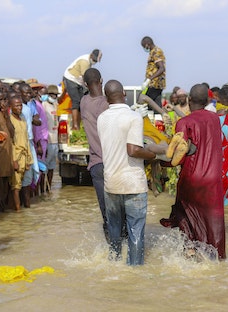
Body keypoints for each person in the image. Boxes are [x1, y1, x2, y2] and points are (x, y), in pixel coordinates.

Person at [161, 84, 226, 260]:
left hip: (192, 177)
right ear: (207, 101)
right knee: (212, 221)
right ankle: (216, 258)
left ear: (189, 100)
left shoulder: (184, 123)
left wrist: (162, 164)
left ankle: (190, 254)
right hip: (213, 179)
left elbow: (177, 156)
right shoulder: (214, 120)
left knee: (186, 218)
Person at [97, 80, 156, 266]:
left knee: (114, 229)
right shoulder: (133, 117)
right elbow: (133, 150)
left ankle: (114, 263)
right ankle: (135, 271)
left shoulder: (102, 118)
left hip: (111, 182)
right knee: (136, 230)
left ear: (107, 98)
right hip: (133, 183)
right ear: (124, 94)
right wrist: (153, 155)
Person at [80, 68, 109, 242]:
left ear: (85, 84)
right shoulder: (107, 104)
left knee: (107, 216)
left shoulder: (83, 102)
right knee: (122, 215)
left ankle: (112, 255)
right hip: (114, 164)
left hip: (97, 165)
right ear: (102, 80)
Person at [63, 49, 102, 130]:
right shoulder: (85, 62)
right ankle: (75, 126)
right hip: (70, 79)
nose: (94, 62)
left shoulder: (89, 63)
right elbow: (86, 78)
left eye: (96, 61)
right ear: (91, 55)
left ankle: (79, 124)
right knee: (76, 101)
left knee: (82, 102)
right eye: (94, 59)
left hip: (78, 81)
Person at [0, 88, 14, 212]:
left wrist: (7, 116)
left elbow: (12, 132)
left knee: (6, 186)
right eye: (0, 99)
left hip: (7, 154)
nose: (4, 102)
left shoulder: (5, 113)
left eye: (5, 99)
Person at [9, 95, 34, 211]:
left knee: (26, 183)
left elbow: (26, 140)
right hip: (16, 157)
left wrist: (29, 159)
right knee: (16, 187)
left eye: (20, 105)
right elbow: (11, 143)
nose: (19, 108)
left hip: (25, 156)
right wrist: (14, 161)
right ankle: (18, 211)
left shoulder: (23, 119)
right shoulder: (10, 120)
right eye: (16, 105)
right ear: (11, 107)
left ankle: (25, 209)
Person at [41, 85, 59, 192]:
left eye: (56, 95)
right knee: (44, 167)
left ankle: (49, 188)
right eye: (52, 95)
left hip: (55, 140)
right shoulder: (44, 105)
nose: (54, 96)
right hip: (48, 140)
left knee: (52, 166)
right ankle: (42, 190)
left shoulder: (55, 105)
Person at [140, 36, 166, 109]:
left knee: (146, 101)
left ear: (147, 44)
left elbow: (161, 68)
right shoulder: (152, 52)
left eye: (144, 46)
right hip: (153, 84)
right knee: (155, 105)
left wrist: (149, 79)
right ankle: (158, 118)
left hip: (155, 84)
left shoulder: (156, 51)